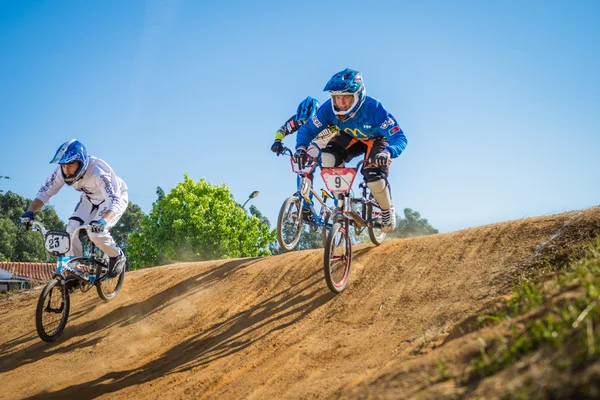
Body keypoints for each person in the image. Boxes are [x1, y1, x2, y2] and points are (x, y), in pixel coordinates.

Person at [294, 68, 407, 233]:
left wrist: (388, 152)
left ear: (358, 96)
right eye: (337, 98)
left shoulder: (374, 109)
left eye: (346, 99)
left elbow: (400, 138)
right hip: (349, 137)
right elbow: (307, 130)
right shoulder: (327, 109)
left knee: (373, 177)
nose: (341, 103)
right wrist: (301, 148)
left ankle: (386, 209)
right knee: (327, 157)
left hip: (375, 140)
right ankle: (341, 201)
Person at [20, 139, 129, 278]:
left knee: (96, 233)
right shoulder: (62, 171)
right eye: (64, 166)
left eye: (70, 165)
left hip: (113, 199)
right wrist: (29, 212)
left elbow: (114, 200)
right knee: (71, 229)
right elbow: (44, 193)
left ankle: (117, 255)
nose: (67, 170)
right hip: (89, 199)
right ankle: (74, 271)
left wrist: (103, 221)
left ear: (81, 163)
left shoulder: (98, 172)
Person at [271, 96, 338, 219]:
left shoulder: (324, 118)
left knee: (331, 173)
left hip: (329, 146)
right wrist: (277, 141)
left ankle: (339, 205)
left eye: (307, 120)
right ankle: (305, 206)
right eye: (302, 121)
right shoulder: (297, 120)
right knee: (302, 168)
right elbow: (283, 129)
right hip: (312, 146)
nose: (304, 123)